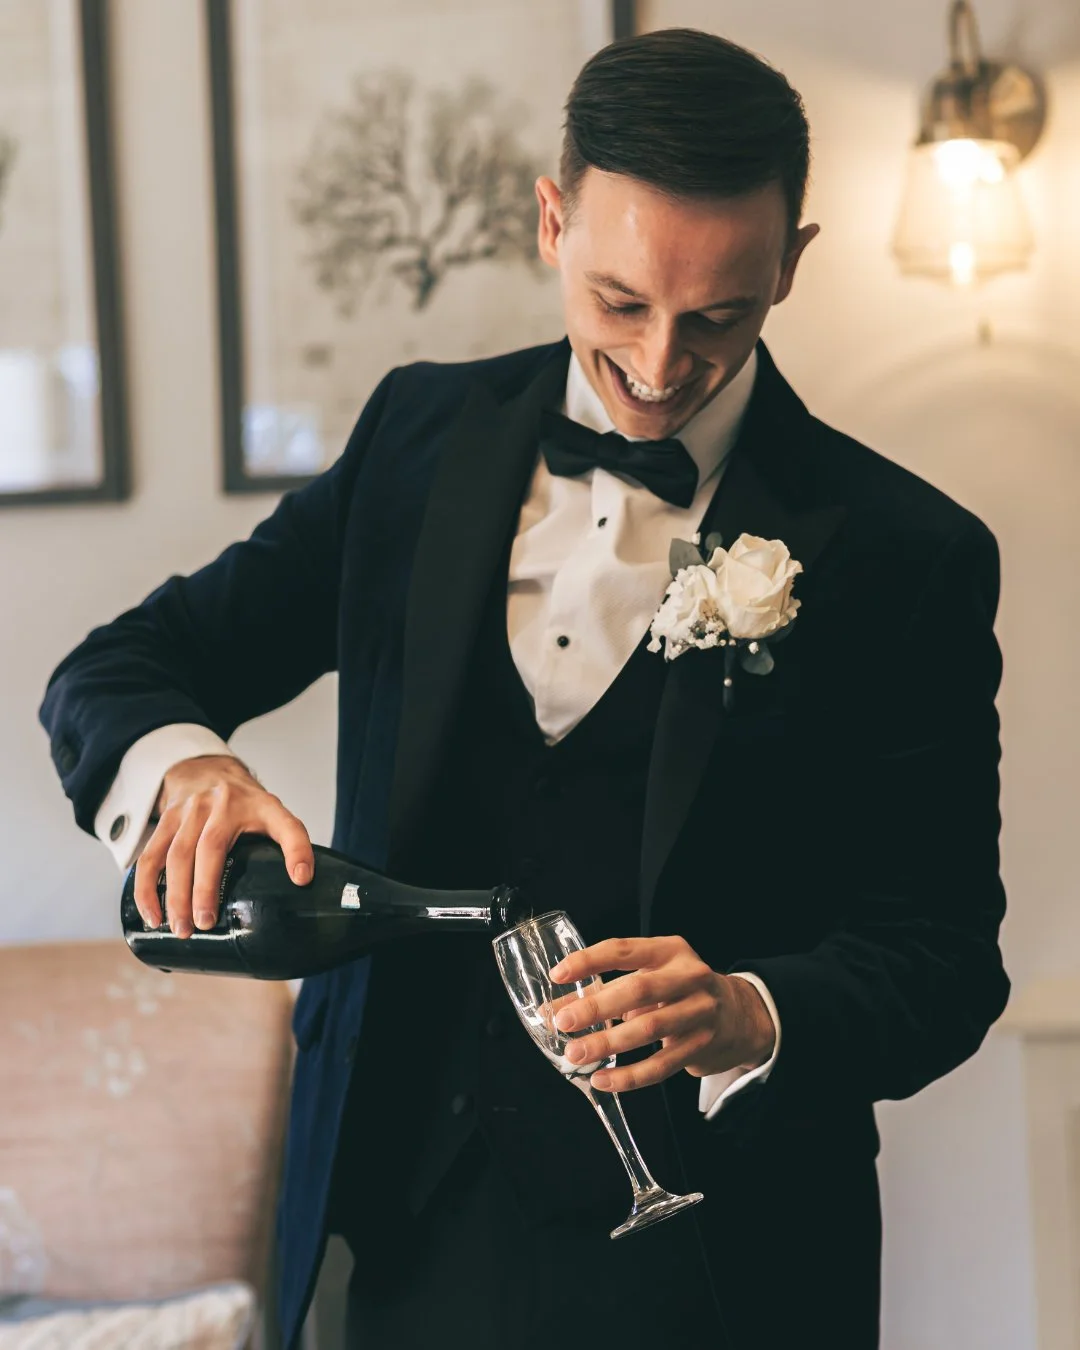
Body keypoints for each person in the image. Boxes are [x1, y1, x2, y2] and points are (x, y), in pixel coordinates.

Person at [40, 27, 1009, 1350]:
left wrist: (748, 1009)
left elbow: (944, 956)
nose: (664, 364)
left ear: (792, 260)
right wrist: (187, 769)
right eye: (622, 301)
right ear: (553, 221)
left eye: (719, 313)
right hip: (397, 1233)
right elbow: (121, 668)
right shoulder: (412, 442)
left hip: (732, 1266)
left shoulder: (910, 555)